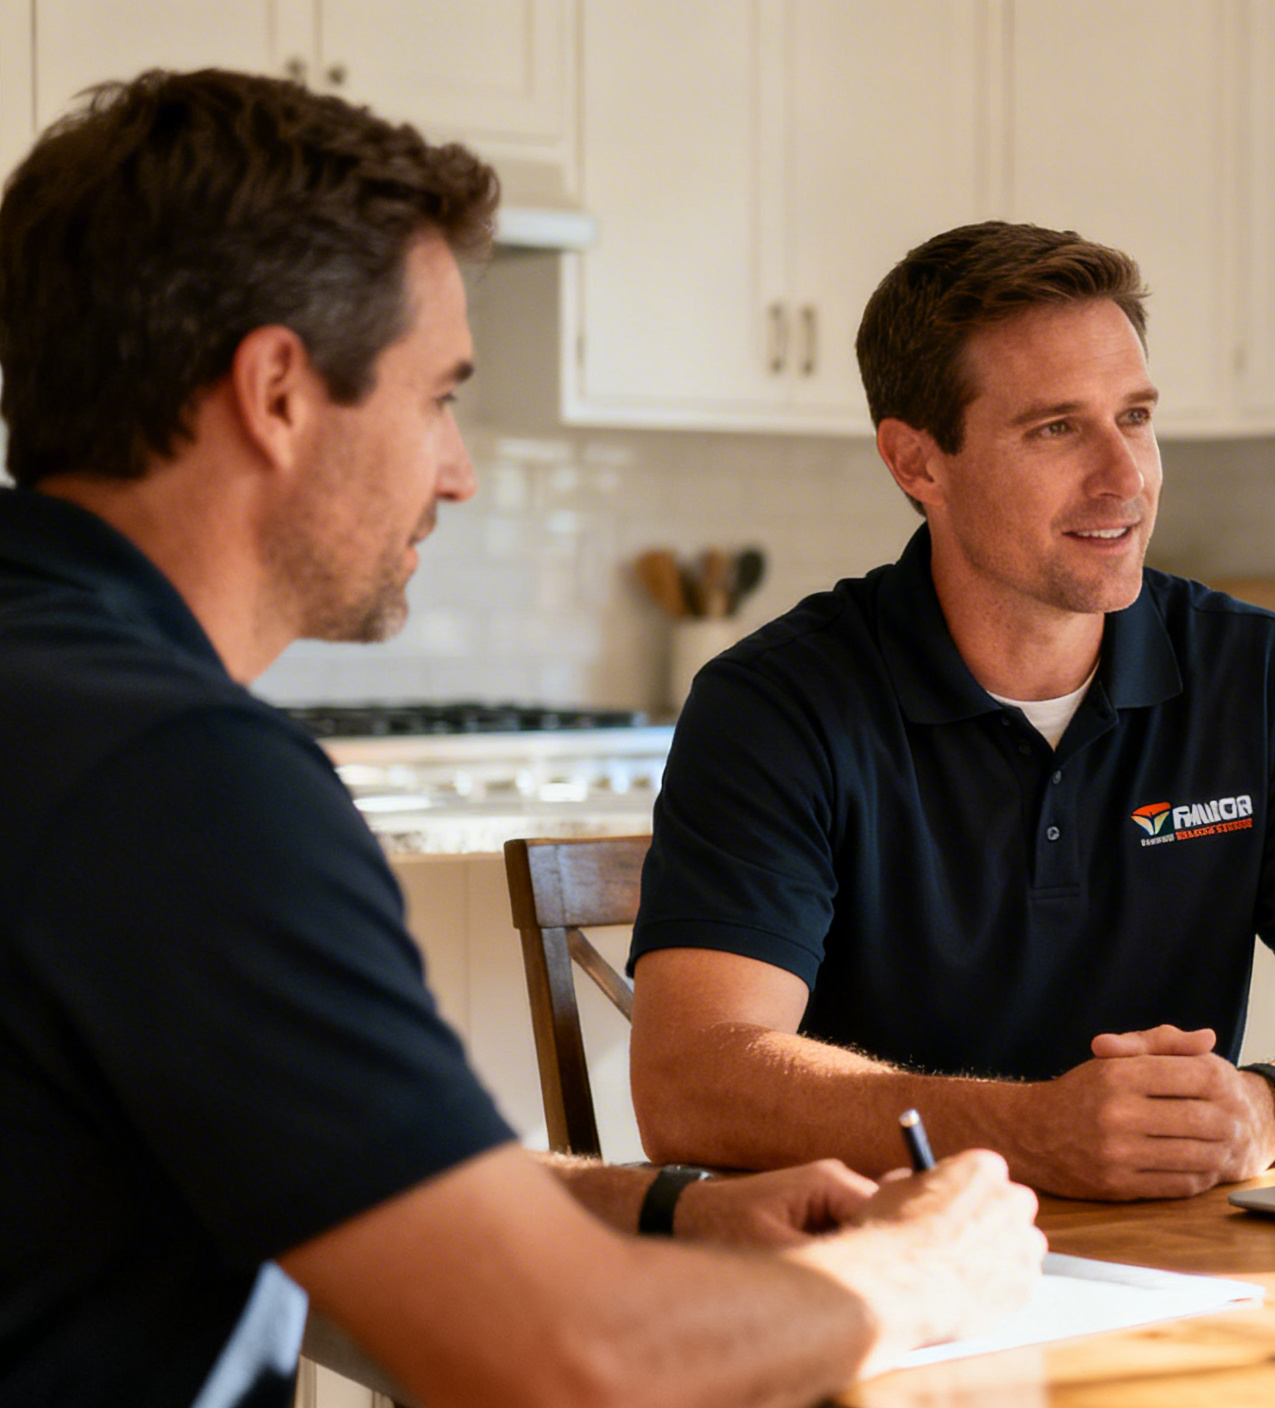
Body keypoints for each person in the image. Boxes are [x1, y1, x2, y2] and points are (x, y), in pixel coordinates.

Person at [0, 70, 1044, 1408]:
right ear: (275, 392)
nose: (459, 468)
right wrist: (920, 1275)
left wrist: (670, 1211)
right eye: (438, 396)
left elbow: (294, 1166)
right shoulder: (180, 783)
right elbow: (568, 1364)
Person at [625, 222, 1275, 1201]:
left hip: (1183, 1261)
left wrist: (1270, 1108)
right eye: (1055, 428)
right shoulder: (776, 704)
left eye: (1136, 417)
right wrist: (1027, 1133)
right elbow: (689, 1082)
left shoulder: (1260, 675)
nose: (1125, 477)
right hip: (889, 1268)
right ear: (916, 463)